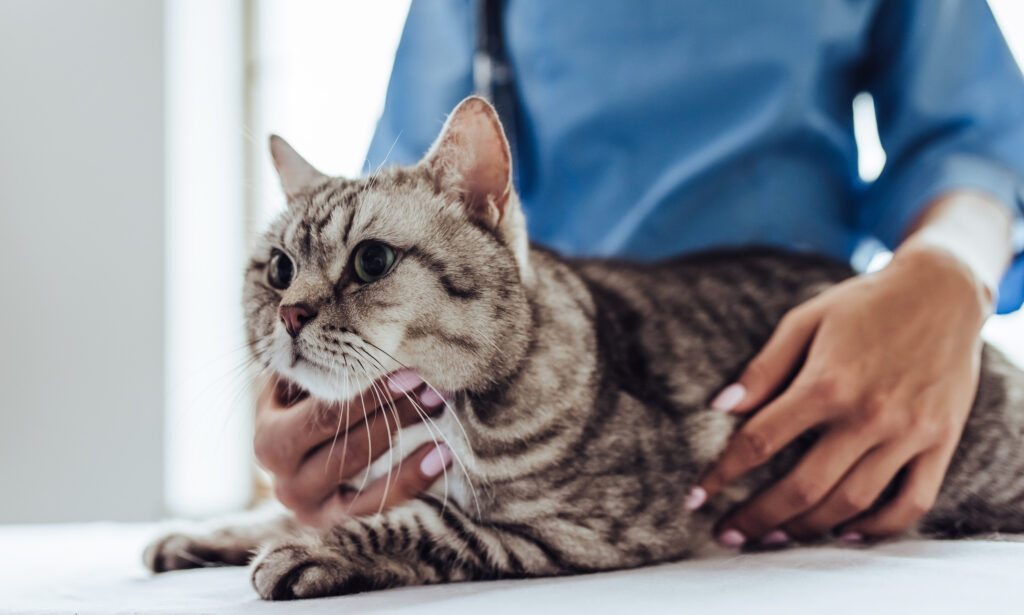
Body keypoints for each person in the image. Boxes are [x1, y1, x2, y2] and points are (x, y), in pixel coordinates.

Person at [254, 0, 1024, 546]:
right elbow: (394, 213)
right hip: (531, 387)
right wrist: (321, 397)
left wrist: (949, 270)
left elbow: (975, 137)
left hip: (808, 375)